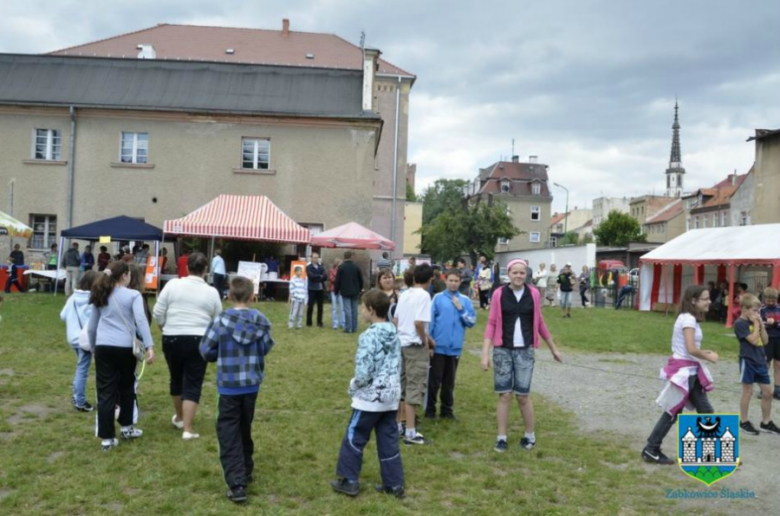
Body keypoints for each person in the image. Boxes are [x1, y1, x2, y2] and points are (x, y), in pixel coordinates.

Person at [200, 276, 275, 504]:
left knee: (228, 432)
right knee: (244, 426)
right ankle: (245, 469)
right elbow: (265, 347)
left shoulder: (221, 320)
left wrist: (217, 355)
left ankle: (237, 483)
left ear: (229, 296)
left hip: (229, 385)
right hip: (251, 385)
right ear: (253, 295)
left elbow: (204, 349)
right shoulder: (260, 320)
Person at [481, 259, 562, 453]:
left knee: (523, 396)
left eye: (522, 273)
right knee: (505, 395)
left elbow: (540, 322)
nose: (518, 276)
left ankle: (529, 435)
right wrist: (485, 353)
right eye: (514, 272)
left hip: (525, 350)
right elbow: (492, 323)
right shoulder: (500, 293)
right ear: (508, 274)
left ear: (526, 275)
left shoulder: (533, 294)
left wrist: (553, 349)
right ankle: (501, 437)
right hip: (502, 350)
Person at [330, 290, 404, 499]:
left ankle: (349, 480)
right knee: (388, 438)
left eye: (363, 307)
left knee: (355, 435)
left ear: (371, 310)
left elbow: (364, 371)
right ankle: (394, 483)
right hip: (391, 397)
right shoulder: (393, 331)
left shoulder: (369, 336)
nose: (361, 310)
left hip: (370, 399)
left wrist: (354, 385)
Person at [641, 285, 718, 464]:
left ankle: (713, 452)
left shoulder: (689, 318)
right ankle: (651, 449)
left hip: (690, 371)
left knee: (705, 411)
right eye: (705, 299)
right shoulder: (688, 320)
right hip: (685, 373)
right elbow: (691, 348)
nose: (709, 301)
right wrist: (709, 356)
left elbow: (689, 348)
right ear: (693, 301)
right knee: (673, 412)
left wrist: (702, 352)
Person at [153, 252, 222, 440]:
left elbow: (158, 312)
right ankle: (187, 429)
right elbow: (218, 320)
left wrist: (164, 327)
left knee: (176, 378)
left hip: (172, 337)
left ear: (187, 267)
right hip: (198, 340)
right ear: (206, 270)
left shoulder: (173, 285)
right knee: (193, 381)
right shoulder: (212, 292)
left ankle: (181, 418)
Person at [87, 261, 155, 451]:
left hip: (103, 346)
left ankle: (107, 438)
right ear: (125, 275)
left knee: (105, 392)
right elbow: (141, 321)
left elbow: (92, 326)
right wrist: (149, 346)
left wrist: (93, 348)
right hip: (126, 347)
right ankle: (126, 427)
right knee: (126, 388)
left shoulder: (100, 293)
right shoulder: (133, 295)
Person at [426, 269, 476, 420]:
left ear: (460, 282)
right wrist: (430, 344)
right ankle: (430, 410)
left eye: (456, 281)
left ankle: (447, 410)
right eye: (451, 280)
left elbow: (471, 322)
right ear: (445, 281)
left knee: (449, 381)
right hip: (438, 346)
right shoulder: (438, 298)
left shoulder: (465, 300)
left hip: (455, 348)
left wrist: (461, 309)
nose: (453, 284)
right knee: (434, 380)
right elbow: (431, 321)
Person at [394, 263, 434, 445]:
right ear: (430, 279)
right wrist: (425, 342)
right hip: (414, 346)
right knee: (415, 386)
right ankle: (410, 432)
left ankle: (398, 425)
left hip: (401, 344)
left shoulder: (404, 294)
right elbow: (419, 323)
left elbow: (396, 320)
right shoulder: (424, 296)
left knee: (402, 386)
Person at [735, 294, 780, 436]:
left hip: (760, 360)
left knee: (768, 392)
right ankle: (744, 421)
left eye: (758, 311)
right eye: (754, 310)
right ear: (744, 309)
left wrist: (761, 326)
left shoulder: (755, 322)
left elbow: (765, 341)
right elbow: (753, 341)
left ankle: (766, 422)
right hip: (748, 360)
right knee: (748, 391)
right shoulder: (740, 324)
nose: (757, 314)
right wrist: (755, 325)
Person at [60, 270, 101, 412]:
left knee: (81, 367)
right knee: (82, 369)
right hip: (85, 339)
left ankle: (76, 396)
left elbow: (63, 316)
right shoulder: (93, 300)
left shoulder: (72, 298)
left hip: (72, 337)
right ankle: (80, 401)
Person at [335, 251, 364, 333]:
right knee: (354, 310)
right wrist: (360, 289)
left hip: (345, 291)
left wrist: (336, 290)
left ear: (344, 257)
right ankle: (354, 327)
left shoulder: (341, 267)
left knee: (347, 310)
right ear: (351, 256)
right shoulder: (356, 267)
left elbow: (338, 281)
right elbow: (361, 280)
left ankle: (348, 328)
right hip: (355, 291)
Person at [760, 288, 780, 400]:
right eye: (769, 300)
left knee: (778, 365)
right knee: (766, 364)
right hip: (767, 339)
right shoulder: (762, 309)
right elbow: (761, 323)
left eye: (773, 301)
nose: (771, 303)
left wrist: (775, 324)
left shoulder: (779, 308)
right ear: (765, 299)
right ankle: (764, 388)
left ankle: (778, 389)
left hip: (779, 339)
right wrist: (771, 325)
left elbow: (774, 324)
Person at [306, 252, 327, 328]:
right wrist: (319, 276)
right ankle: (309, 323)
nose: (316, 259)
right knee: (310, 306)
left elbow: (325, 276)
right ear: (311, 258)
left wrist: (318, 277)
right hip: (312, 289)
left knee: (320, 306)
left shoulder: (321, 267)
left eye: (317, 257)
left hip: (320, 289)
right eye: (314, 257)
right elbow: (311, 276)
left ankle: (319, 322)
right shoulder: (308, 267)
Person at [328, 258, 345, 330]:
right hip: (333, 289)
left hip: (341, 290)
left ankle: (342, 323)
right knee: (334, 307)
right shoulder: (332, 270)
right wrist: (338, 279)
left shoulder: (343, 271)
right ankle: (335, 323)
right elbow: (331, 279)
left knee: (342, 308)